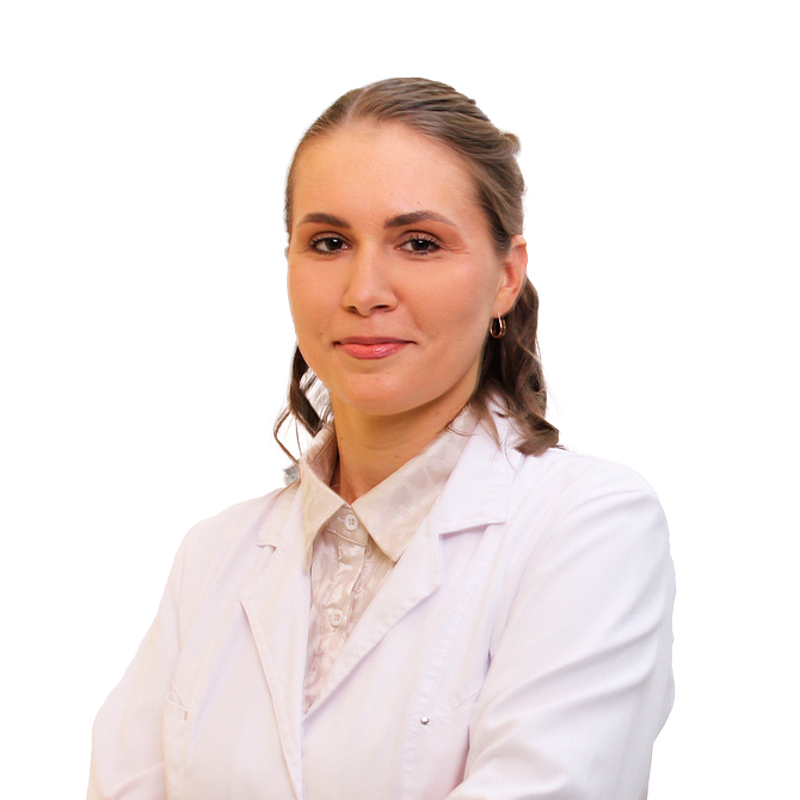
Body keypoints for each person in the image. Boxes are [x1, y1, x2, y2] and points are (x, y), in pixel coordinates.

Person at [84, 72, 677, 800]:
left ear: (506, 277)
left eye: (419, 243)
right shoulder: (210, 552)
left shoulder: (592, 523)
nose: (364, 291)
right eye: (329, 242)